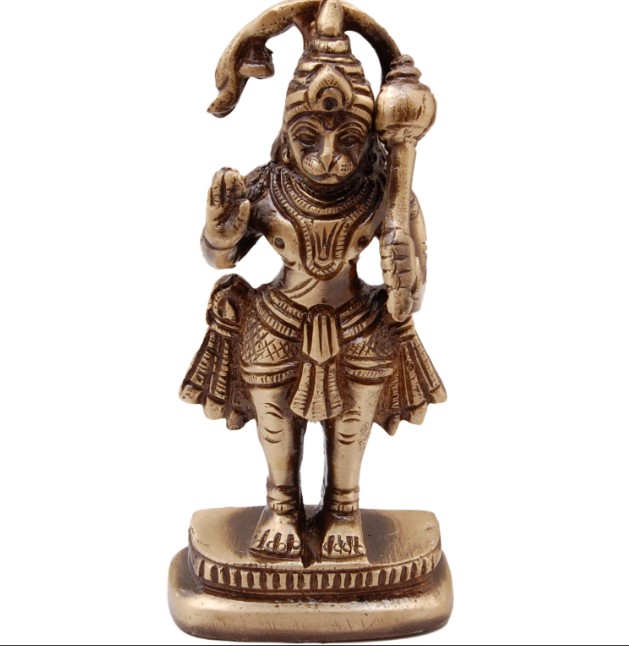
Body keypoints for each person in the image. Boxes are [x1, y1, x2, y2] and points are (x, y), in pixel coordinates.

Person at [180, 0, 445, 562]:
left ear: (369, 137)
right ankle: (282, 507)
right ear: (286, 133)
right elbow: (221, 258)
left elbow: (413, 293)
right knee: (276, 423)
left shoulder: (384, 193)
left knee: (351, 425)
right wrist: (220, 230)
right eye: (309, 139)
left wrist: (405, 276)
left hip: (357, 318)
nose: (328, 157)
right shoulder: (268, 186)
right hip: (277, 317)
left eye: (348, 140)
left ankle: (343, 511)